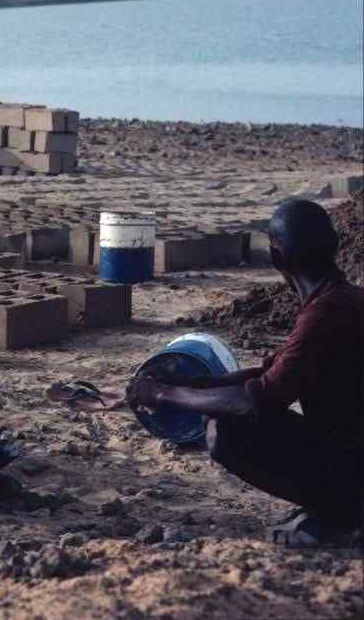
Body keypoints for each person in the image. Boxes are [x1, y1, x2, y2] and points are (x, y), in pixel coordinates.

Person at [127, 199, 363, 546]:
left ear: (277, 258)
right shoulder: (344, 300)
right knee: (224, 408)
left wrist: (164, 395)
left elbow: (260, 400)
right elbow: (270, 372)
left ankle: (341, 512)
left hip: (355, 466)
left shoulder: (323, 315)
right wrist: (193, 384)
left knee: (226, 431)